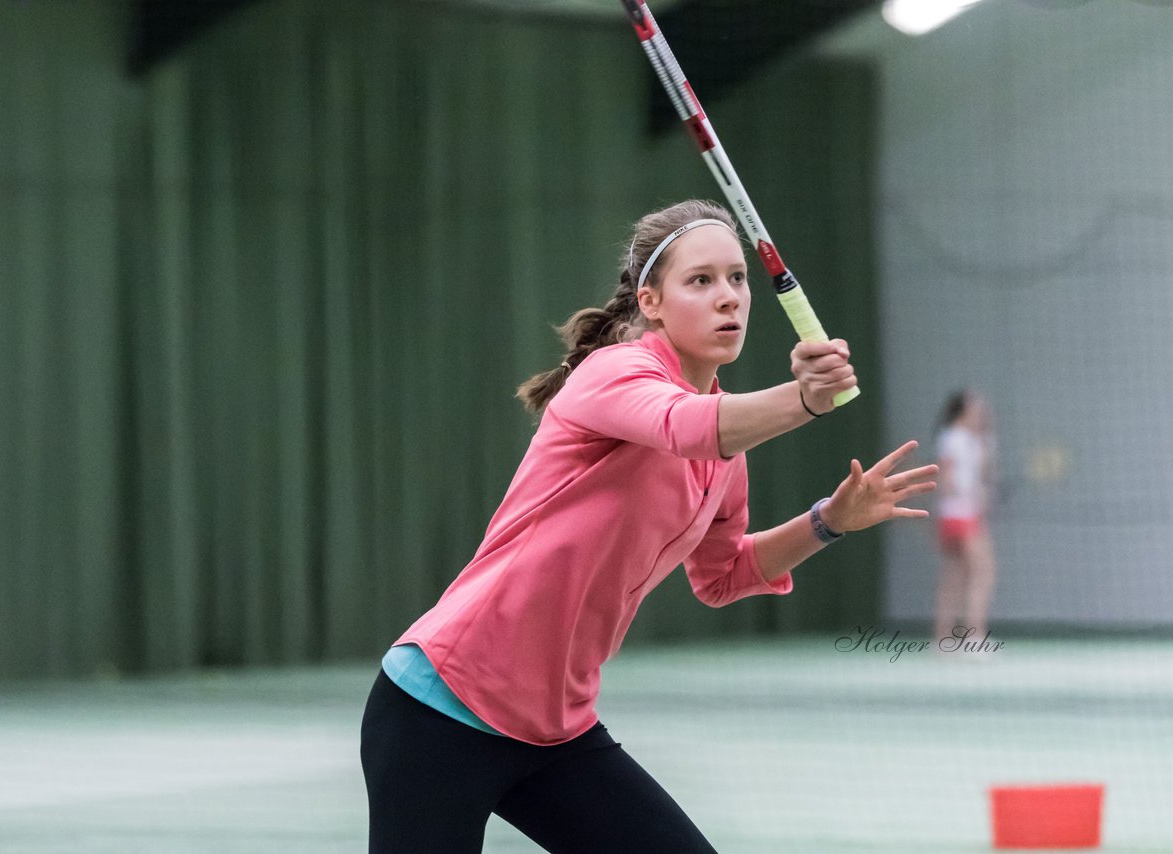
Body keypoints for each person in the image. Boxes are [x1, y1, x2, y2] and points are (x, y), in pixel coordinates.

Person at [360, 199, 938, 853]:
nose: (729, 298)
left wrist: (828, 522)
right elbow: (682, 428)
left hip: (556, 731)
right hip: (441, 709)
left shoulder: (726, 448)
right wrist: (805, 398)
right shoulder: (614, 375)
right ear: (652, 301)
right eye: (701, 281)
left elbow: (723, 576)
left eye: (737, 278)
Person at [932, 389, 997, 650]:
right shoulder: (953, 438)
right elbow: (946, 478)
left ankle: (942, 638)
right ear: (962, 410)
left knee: (955, 576)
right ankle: (975, 638)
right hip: (961, 515)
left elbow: (979, 473)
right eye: (975, 408)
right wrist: (971, 496)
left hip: (957, 514)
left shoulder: (973, 440)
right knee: (983, 572)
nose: (980, 413)